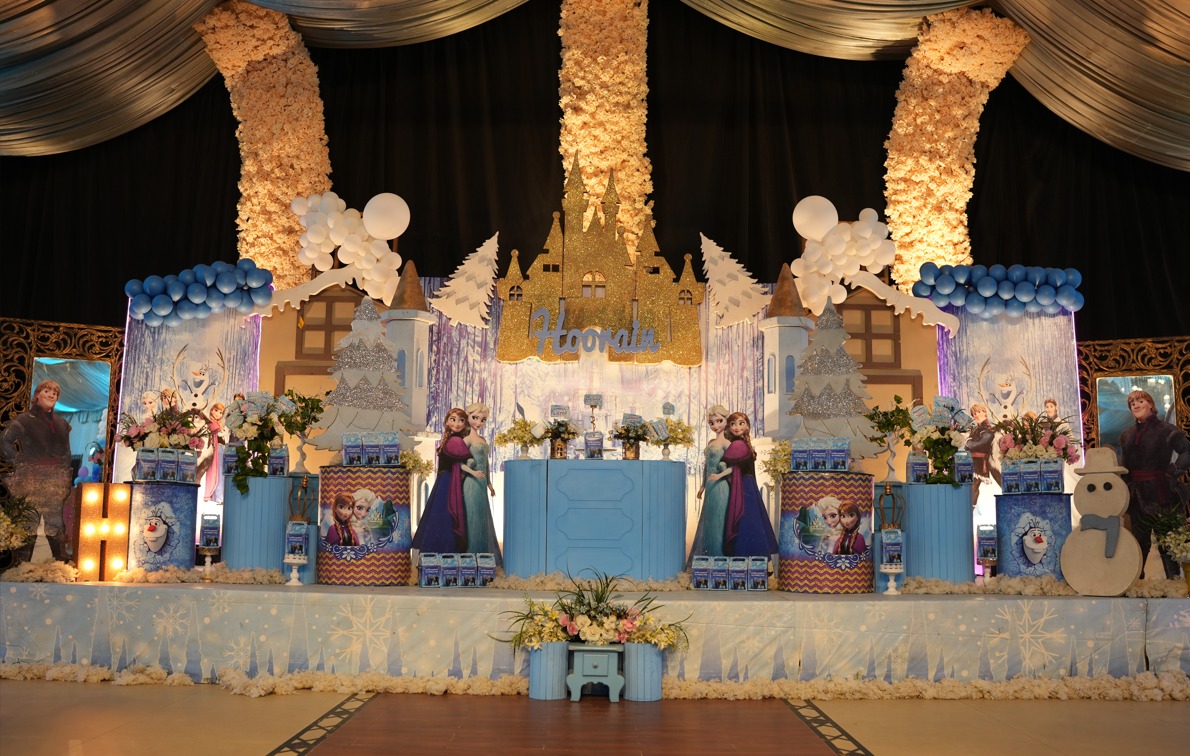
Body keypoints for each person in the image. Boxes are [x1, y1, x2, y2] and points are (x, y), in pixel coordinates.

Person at [1118, 389, 1190, 578]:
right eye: (1132, 403)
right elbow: (1124, 467)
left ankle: (1173, 582)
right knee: (1139, 542)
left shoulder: (1168, 430)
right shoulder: (1126, 435)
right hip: (1137, 495)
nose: (1136, 405)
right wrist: (1126, 488)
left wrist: (1174, 471)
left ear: (1151, 404)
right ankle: (1136, 583)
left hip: (1162, 493)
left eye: (1140, 401)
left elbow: (1187, 451)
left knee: (1166, 541)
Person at [0, 380, 73, 563]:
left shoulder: (62, 423)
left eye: (54, 393)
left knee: (55, 523)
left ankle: (60, 564)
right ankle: (22, 566)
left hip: (55, 480)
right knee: (29, 522)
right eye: (47, 391)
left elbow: (66, 452)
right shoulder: (23, 420)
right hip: (30, 478)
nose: (51, 395)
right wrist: (17, 461)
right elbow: (4, 441)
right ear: (37, 394)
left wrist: (64, 472)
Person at [708, 412, 778, 558]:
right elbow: (731, 466)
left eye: (741, 423)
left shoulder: (740, 444)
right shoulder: (738, 444)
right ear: (729, 427)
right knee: (749, 518)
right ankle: (752, 555)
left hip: (745, 484)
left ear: (747, 426)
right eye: (733, 424)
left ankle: (748, 555)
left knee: (747, 518)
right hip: (745, 484)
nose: (737, 427)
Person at [412, 408, 474, 554]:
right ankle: (442, 550)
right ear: (447, 421)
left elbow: (468, 461)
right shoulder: (454, 440)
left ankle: (439, 550)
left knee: (441, 514)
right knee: (443, 514)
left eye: (461, 420)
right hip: (446, 481)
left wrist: (463, 474)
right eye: (453, 419)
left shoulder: (455, 440)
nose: (457, 423)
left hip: (447, 481)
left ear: (465, 423)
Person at [688, 405, 730, 561]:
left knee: (719, 519)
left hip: (721, 485)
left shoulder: (727, 443)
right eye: (712, 423)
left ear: (726, 420)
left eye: (719, 421)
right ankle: (709, 556)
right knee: (709, 520)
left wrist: (720, 475)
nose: (716, 426)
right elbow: (707, 465)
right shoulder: (711, 443)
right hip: (710, 485)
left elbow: (734, 467)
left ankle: (719, 557)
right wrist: (702, 485)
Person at [461, 402, 502, 561]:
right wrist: (472, 472)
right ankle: (471, 556)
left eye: (482, 420)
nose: (478, 422)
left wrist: (489, 484)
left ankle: (482, 556)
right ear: (468, 417)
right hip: (471, 482)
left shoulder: (482, 439)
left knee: (482, 517)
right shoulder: (466, 440)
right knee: (473, 517)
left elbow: (486, 463)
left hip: (482, 482)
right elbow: (459, 463)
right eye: (475, 418)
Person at [200, 402, 226, 501]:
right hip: (212, 449)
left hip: (219, 449)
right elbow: (214, 429)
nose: (218, 414)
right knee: (213, 471)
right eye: (216, 410)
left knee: (219, 471)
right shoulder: (209, 421)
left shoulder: (217, 423)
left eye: (220, 412)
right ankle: (211, 494)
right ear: (211, 410)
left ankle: (217, 495)